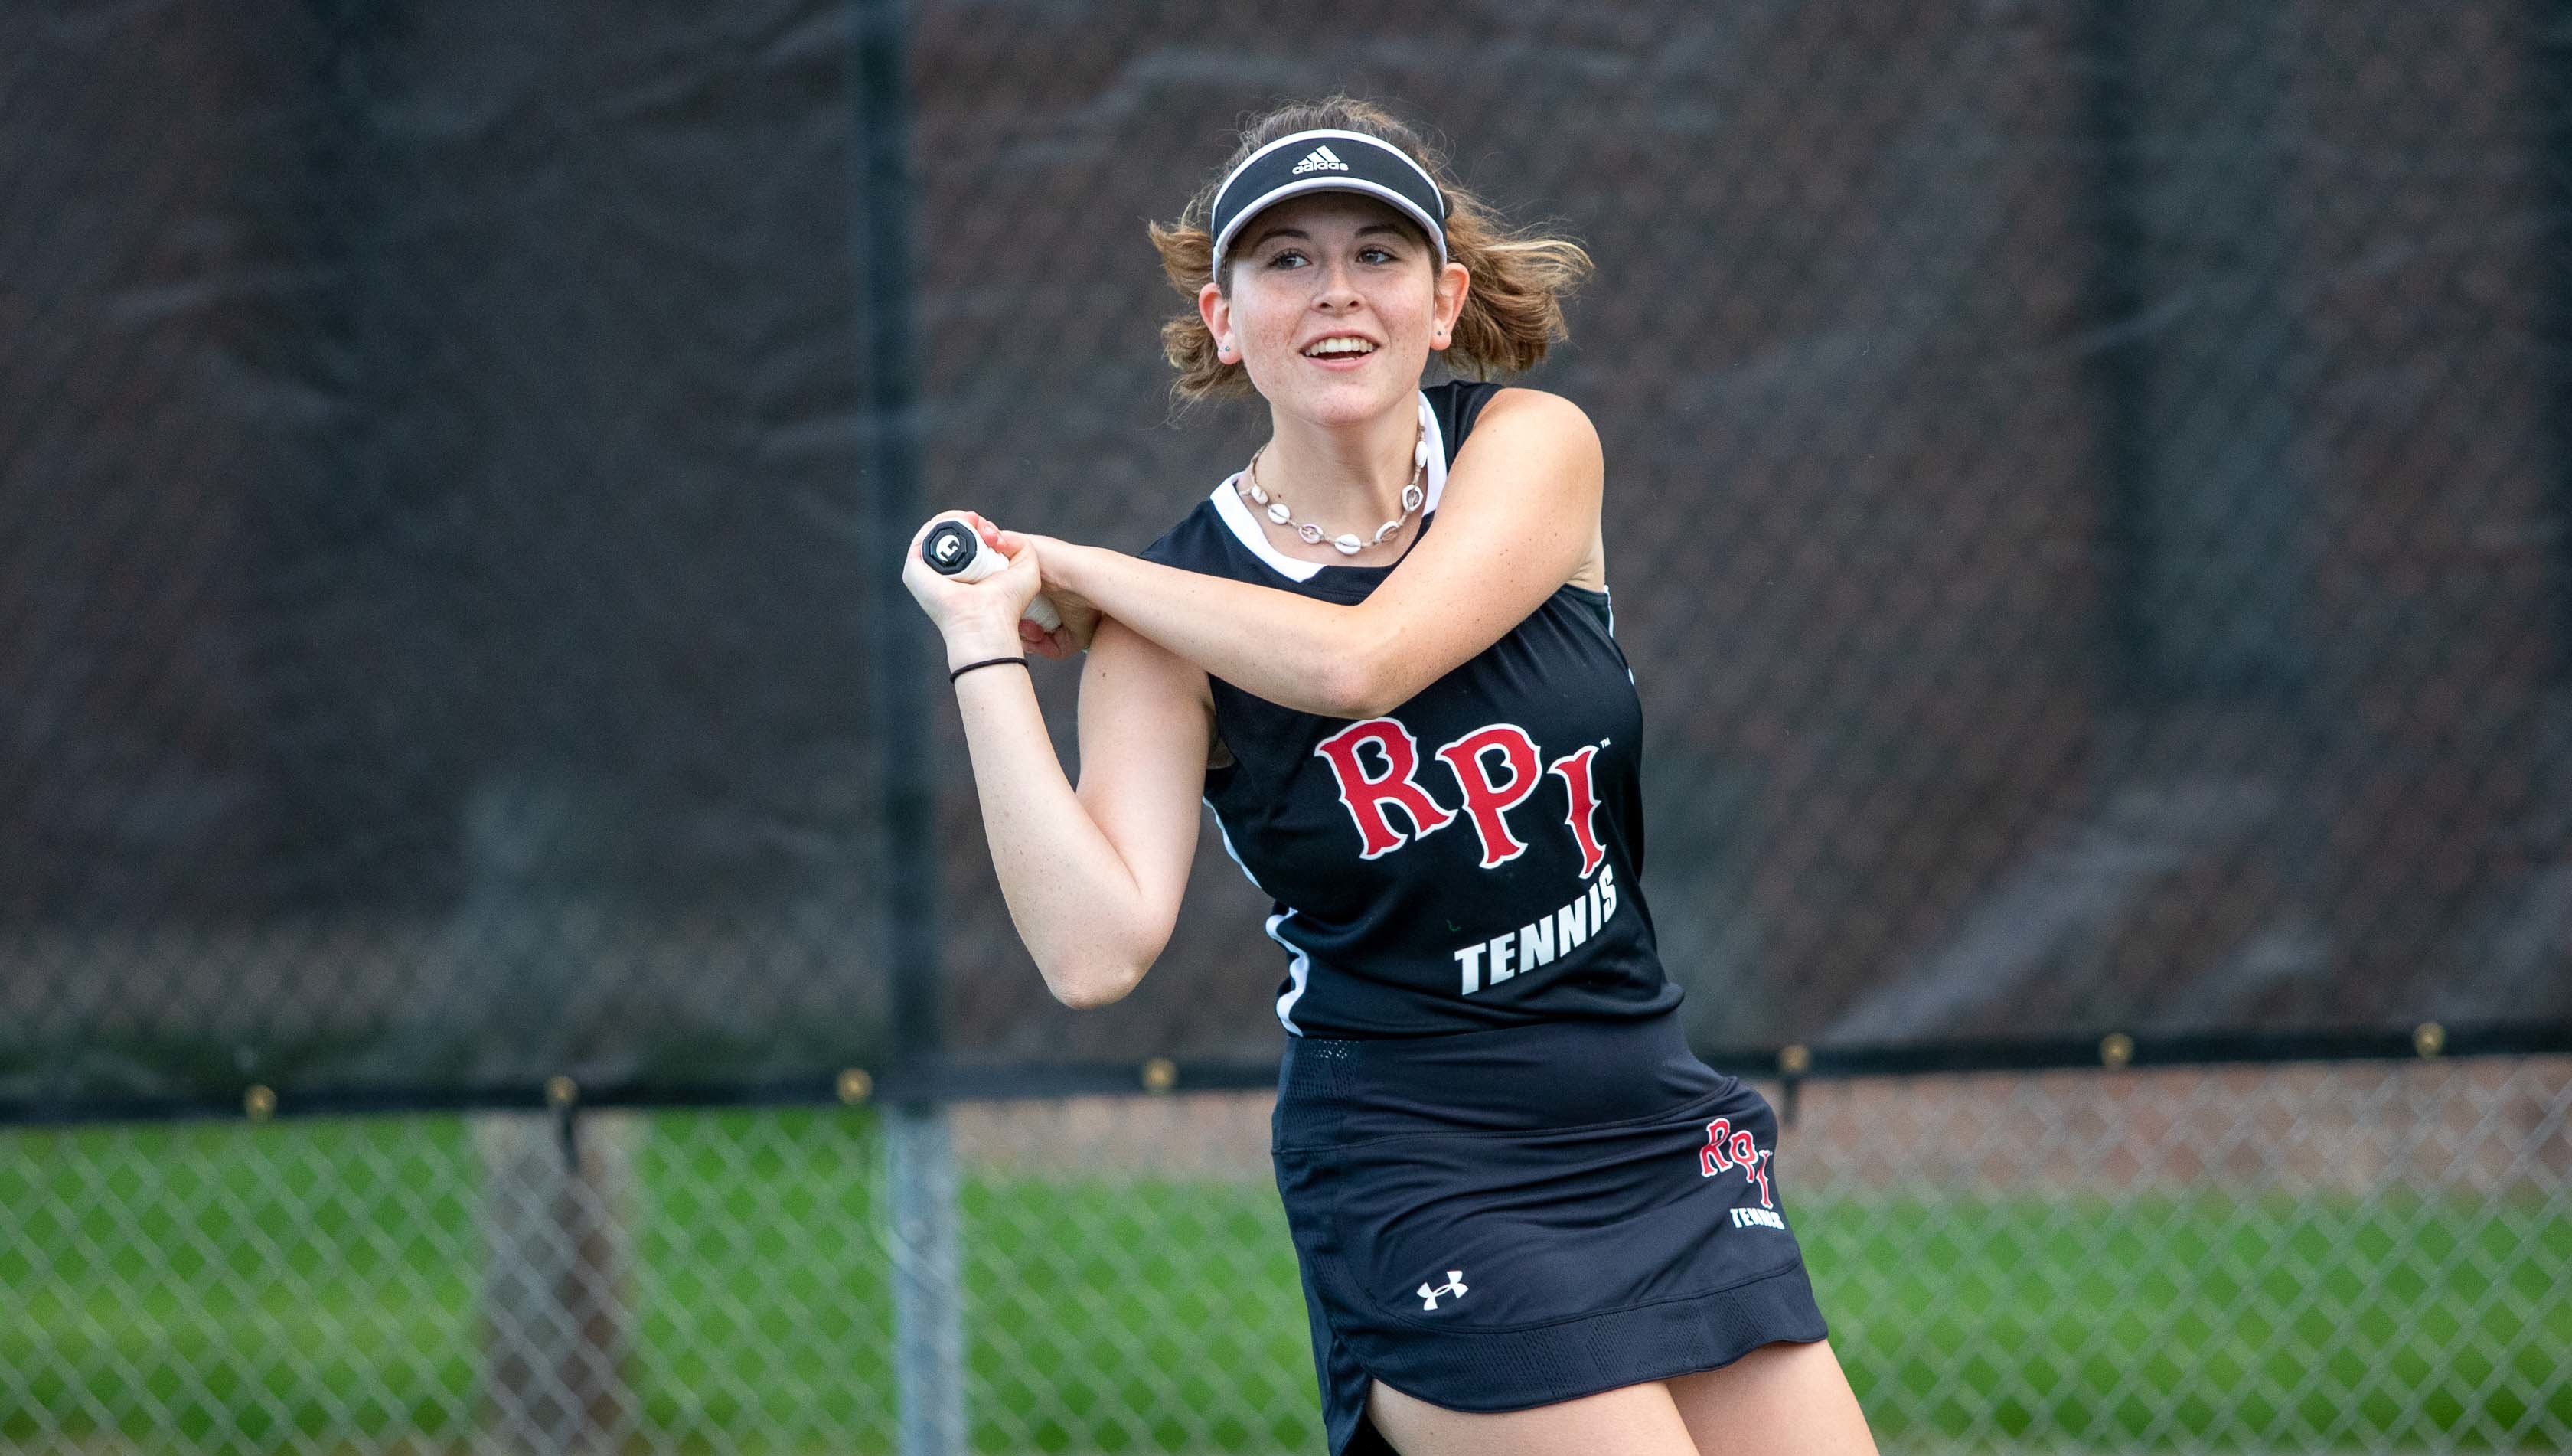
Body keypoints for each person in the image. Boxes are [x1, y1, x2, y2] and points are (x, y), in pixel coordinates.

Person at [900, 96, 1878, 1456]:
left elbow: (1364, 662)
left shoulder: (1531, 449)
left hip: (1646, 1111)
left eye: (1376, 254)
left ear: (1443, 298)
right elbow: (1092, 948)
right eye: (1286, 260)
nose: (1336, 292)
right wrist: (985, 643)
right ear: (1225, 318)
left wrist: (1082, 568)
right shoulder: (1164, 636)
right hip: (1423, 1160)